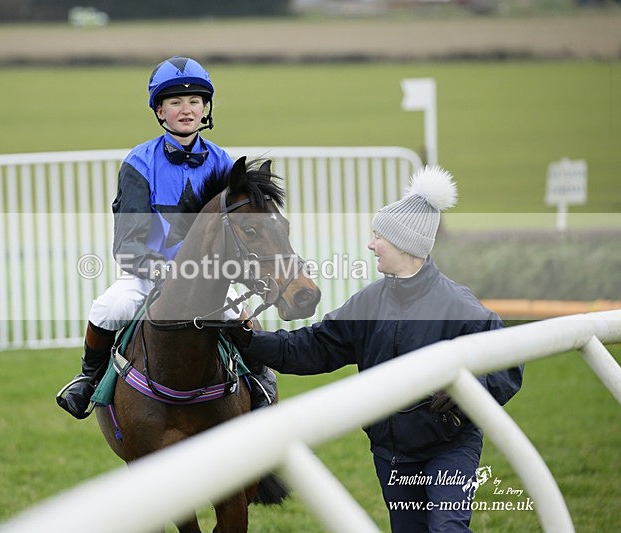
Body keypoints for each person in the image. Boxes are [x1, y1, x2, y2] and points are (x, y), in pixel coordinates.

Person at [230, 165, 523, 532]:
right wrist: (250, 341)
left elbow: (509, 366)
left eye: (377, 236)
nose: (370, 245)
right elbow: (313, 347)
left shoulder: (461, 308)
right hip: (391, 454)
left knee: (448, 528)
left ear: (404, 245)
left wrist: (471, 390)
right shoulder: (368, 302)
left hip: (450, 449)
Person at [56, 56, 277, 420]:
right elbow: (127, 243)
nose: (186, 110)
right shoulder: (138, 163)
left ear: (206, 108)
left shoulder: (223, 162)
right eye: (175, 102)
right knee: (109, 308)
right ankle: (87, 378)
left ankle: (259, 380)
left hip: (209, 280)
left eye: (194, 102)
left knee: (244, 314)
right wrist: (165, 272)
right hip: (151, 275)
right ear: (160, 110)